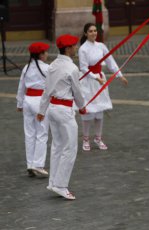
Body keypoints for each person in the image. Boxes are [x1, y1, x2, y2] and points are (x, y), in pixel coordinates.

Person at [37, 34, 87, 200]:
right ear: (67, 49)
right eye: (74, 46)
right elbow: (78, 92)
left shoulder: (52, 65)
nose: (76, 48)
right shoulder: (72, 69)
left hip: (52, 109)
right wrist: (82, 106)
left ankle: (53, 182)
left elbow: (47, 90)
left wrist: (42, 110)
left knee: (57, 146)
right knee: (70, 148)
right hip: (64, 111)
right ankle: (60, 185)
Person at [78, 23, 128, 151]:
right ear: (85, 33)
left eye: (95, 31)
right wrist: (96, 78)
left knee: (99, 111)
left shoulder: (101, 46)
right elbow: (83, 68)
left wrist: (119, 75)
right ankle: (86, 138)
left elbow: (111, 61)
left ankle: (98, 138)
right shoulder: (83, 49)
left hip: (100, 79)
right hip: (88, 81)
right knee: (88, 110)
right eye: (90, 31)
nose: (94, 33)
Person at [16, 42, 50, 177]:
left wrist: (19, 104)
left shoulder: (26, 67)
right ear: (40, 54)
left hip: (27, 102)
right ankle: (38, 164)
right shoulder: (47, 68)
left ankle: (30, 163)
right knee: (42, 133)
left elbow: (21, 86)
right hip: (40, 102)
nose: (47, 54)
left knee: (29, 134)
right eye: (45, 52)